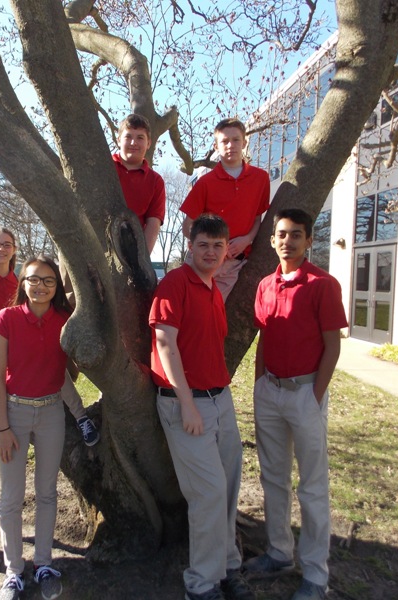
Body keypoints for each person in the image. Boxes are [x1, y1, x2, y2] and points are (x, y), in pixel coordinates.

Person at [0, 230, 99, 520]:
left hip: (16, 343)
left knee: (55, 374)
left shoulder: (22, 279)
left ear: (14, 249)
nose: (2, 249)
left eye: (7, 245)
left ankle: (82, 417)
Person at [149, 214, 255, 600]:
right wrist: (186, 403)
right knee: (208, 492)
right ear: (190, 246)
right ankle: (202, 583)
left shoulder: (212, 289)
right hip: (186, 403)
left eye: (218, 246)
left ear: (227, 251)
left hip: (220, 400)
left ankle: (227, 566)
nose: (211, 252)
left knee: (227, 487)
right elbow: (165, 343)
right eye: (203, 245)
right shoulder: (175, 283)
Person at [245, 208, 348, 600]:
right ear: (272, 240)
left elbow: (332, 345)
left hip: (305, 394)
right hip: (269, 392)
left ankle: (316, 576)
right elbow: (264, 339)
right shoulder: (264, 286)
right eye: (282, 234)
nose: (288, 241)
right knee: (273, 478)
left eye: (296, 235)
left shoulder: (323, 285)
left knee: (312, 486)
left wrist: (315, 395)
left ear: (308, 241)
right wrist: (259, 385)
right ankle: (279, 553)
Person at [0, 256, 71, 600]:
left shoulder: (65, 321)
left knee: (47, 492)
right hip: (15, 413)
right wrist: (3, 428)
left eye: (49, 281)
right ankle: (13, 571)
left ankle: (43, 563)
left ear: (57, 287)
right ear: (23, 282)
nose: (41, 286)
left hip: (52, 412)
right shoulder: (7, 318)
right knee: (11, 497)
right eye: (34, 279)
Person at [180, 117, 270, 301]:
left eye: (236, 140)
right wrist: (213, 246)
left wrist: (247, 239)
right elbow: (187, 227)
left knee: (214, 311)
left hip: (233, 263)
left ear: (244, 142)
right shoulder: (205, 182)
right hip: (202, 261)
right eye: (224, 141)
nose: (231, 145)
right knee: (187, 307)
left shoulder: (261, 178)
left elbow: (257, 218)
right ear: (216, 146)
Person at [113, 113, 166, 254]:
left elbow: (153, 224)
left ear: (149, 143)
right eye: (128, 137)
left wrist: (143, 260)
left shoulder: (155, 181)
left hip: (131, 251)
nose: (133, 143)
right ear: (118, 140)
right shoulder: (103, 167)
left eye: (140, 138)